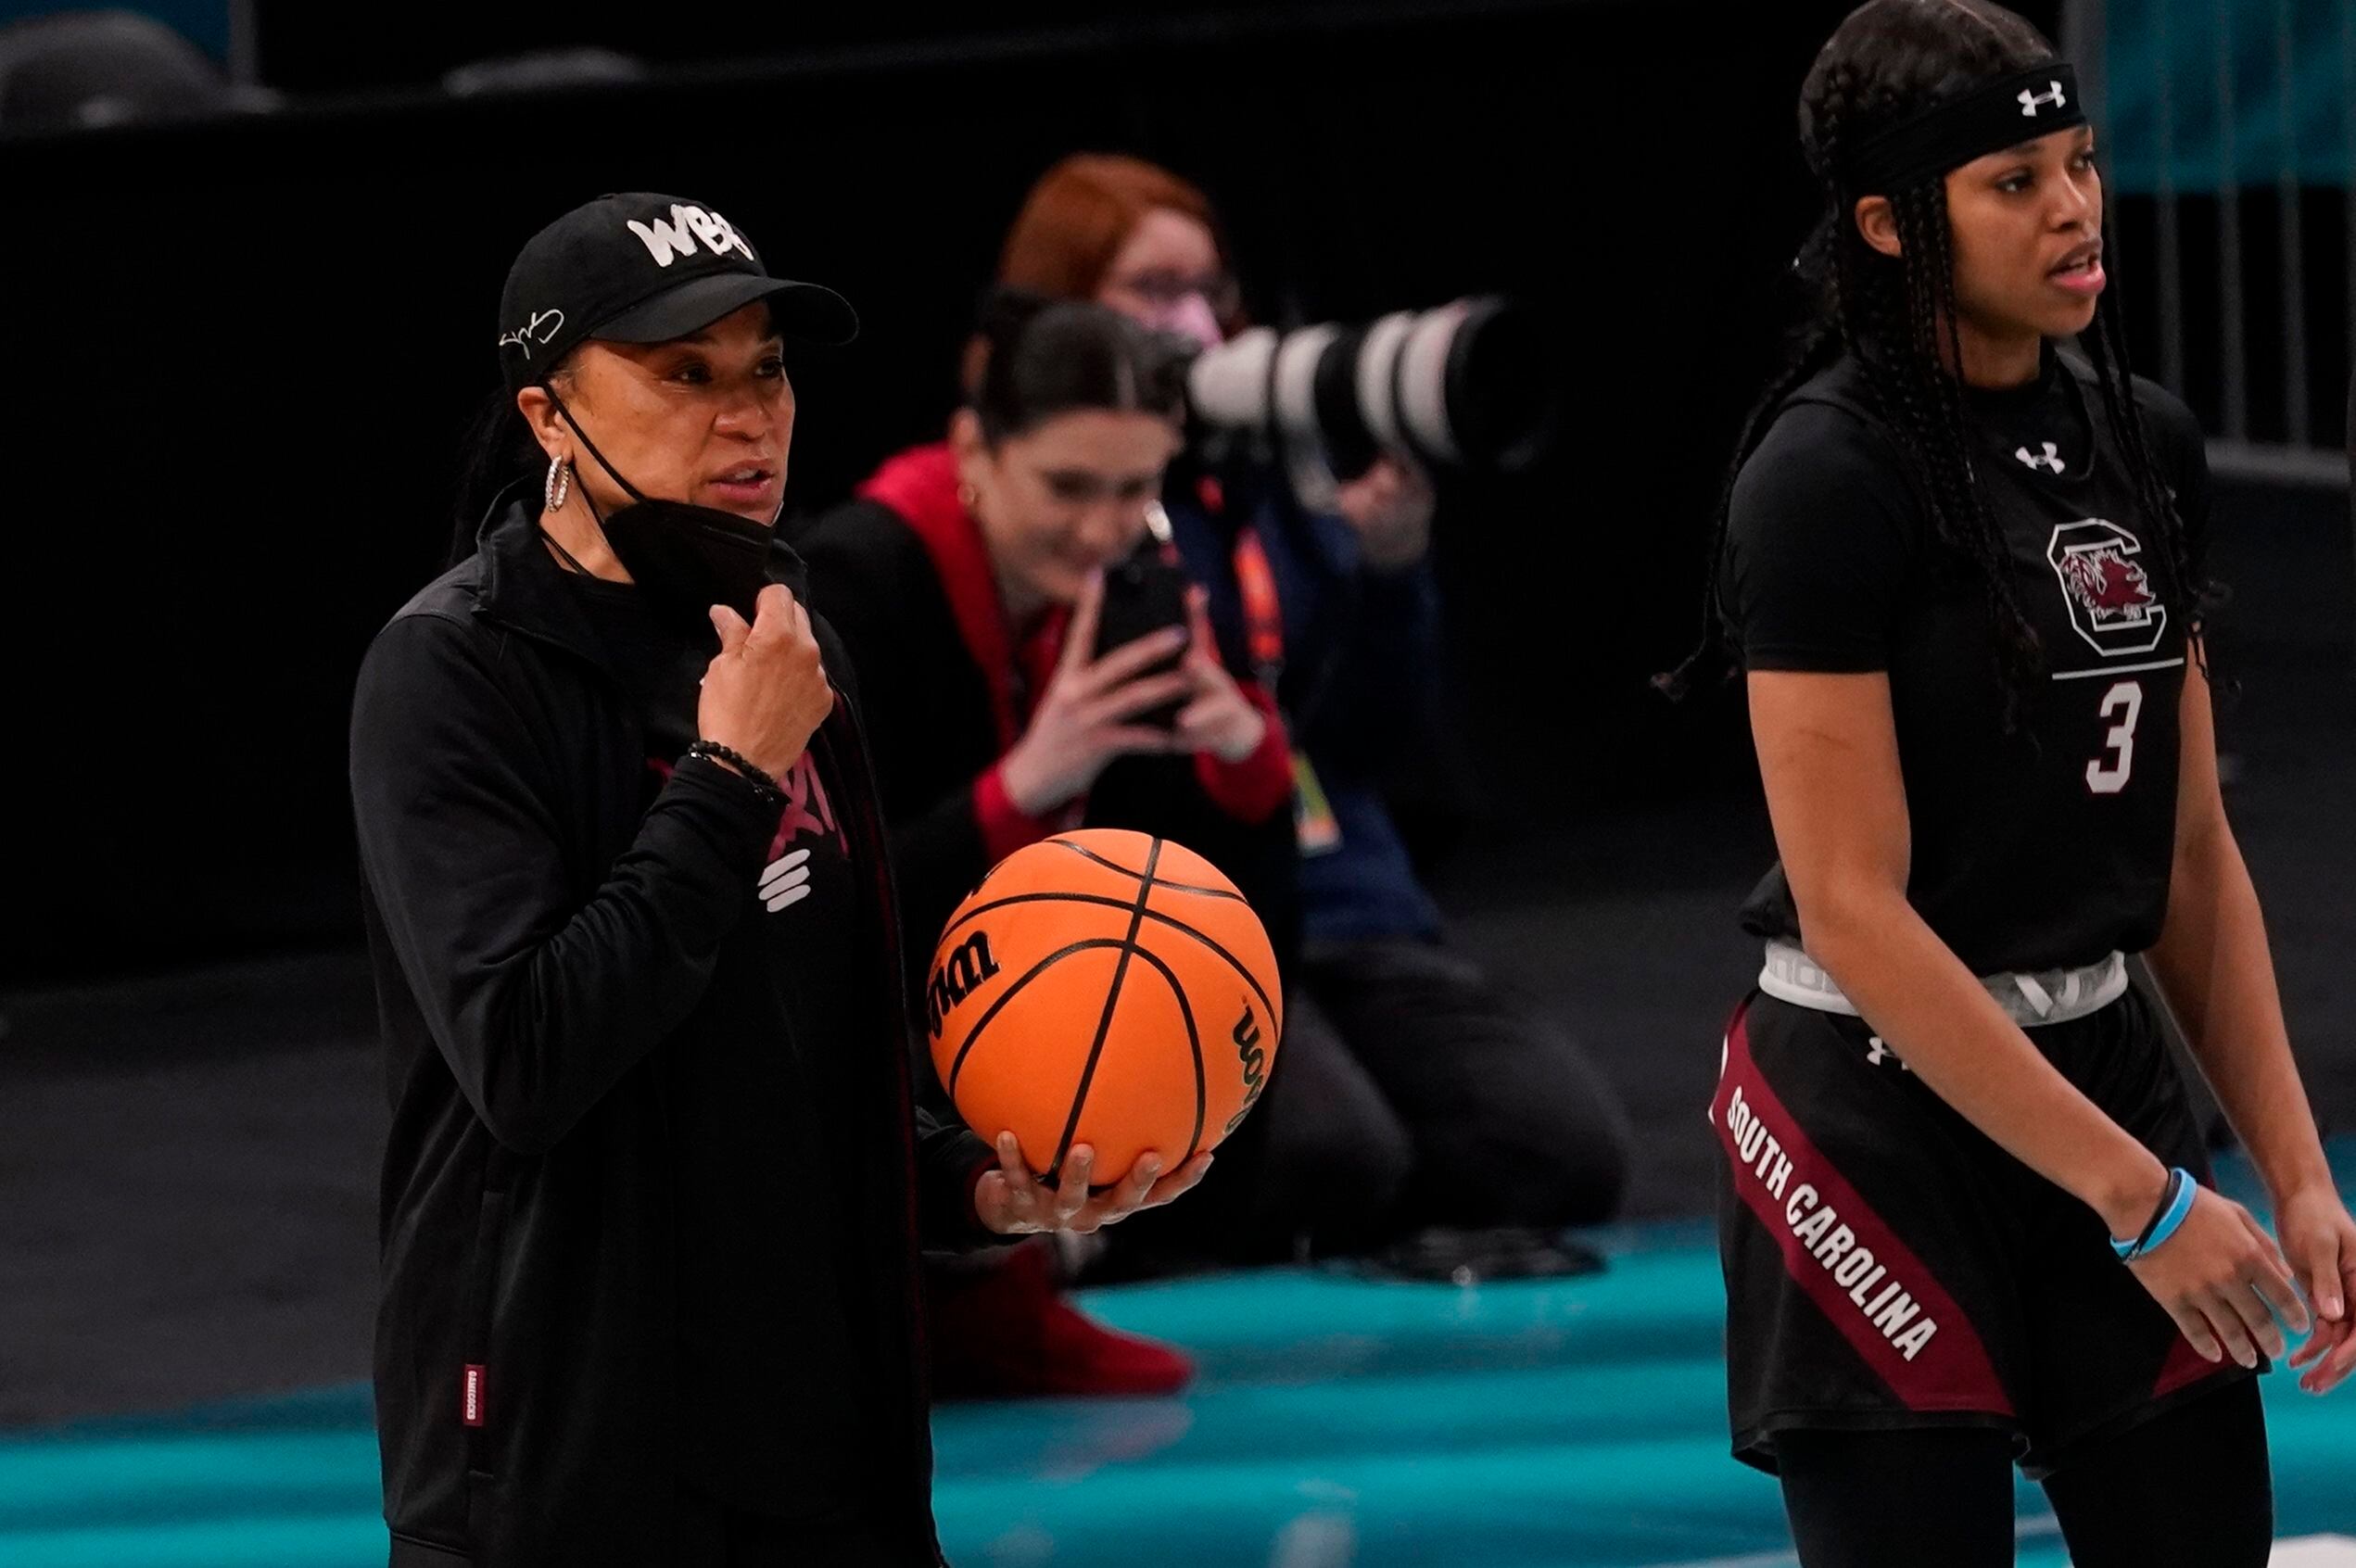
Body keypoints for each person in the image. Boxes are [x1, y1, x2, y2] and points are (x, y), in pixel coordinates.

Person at [349, 192, 1206, 1566]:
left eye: (765, 369)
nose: (747, 415)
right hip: (573, 1467)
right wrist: (729, 780)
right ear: (545, 417)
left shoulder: (781, 633)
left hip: (824, 1449)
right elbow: (526, 1055)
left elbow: (822, 1056)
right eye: (683, 375)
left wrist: (979, 1184)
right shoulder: (453, 672)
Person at [1678, 7, 2356, 1563]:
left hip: (2099, 1058)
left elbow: (2187, 851)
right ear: (1885, 224)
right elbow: (1852, 907)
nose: (2072, 208)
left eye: (2082, 161)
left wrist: (2294, 1174)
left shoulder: (2142, 438)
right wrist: (2145, 1201)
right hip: (1869, 1107)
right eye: (2010, 181)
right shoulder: (1820, 476)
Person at [994, 153, 1633, 1258]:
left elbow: (1374, 736)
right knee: (1331, 1160)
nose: (1190, 318)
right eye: (1150, 288)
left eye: (1207, 284)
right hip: (1178, 908)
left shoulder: (1274, 469)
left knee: (1563, 1152)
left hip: (1344, 903)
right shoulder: (1073, 496)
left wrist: (1386, 572)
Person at [796, 295, 1300, 1394]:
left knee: (1323, 1135)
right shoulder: (856, 582)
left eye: (1135, 490)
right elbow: (821, 902)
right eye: (1070, 487)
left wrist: (1243, 760)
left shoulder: (1135, 598)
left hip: (1052, 993)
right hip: (858, 1003)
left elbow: (1213, 905)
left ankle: (1051, 1255)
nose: (1102, 527)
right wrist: (1025, 786)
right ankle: (967, 1288)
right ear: (976, 448)